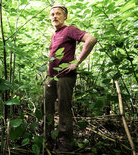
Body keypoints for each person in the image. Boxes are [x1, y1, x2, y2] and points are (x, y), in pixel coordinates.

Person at [44, 5, 97, 152]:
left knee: (63, 109)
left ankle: (64, 145)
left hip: (65, 77)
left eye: (58, 14)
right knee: (47, 108)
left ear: (65, 16)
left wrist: (77, 62)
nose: (55, 16)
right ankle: (47, 139)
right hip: (51, 77)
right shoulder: (55, 34)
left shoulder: (70, 30)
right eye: (52, 14)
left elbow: (91, 39)